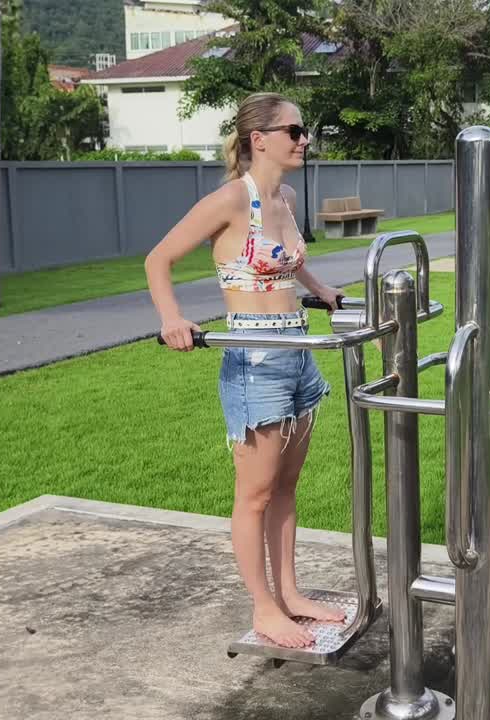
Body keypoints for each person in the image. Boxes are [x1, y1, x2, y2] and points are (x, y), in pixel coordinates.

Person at [145, 92, 345, 649]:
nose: (304, 139)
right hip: (254, 360)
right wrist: (172, 318)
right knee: (254, 494)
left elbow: (287, 261)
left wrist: (319, 289)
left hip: (298, 354)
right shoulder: (234, 199)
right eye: (294, 130)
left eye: (304, 131)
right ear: (259, 139)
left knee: (286, 486)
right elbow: (157, 258)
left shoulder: (284, 199)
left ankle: (290, 594)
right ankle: (263, 608)